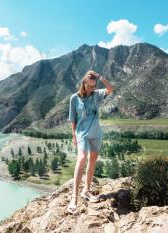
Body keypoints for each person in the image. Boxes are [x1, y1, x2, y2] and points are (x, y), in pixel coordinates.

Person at [67, 70, 114, 214]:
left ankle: (86, 191)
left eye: (94, 86)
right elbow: (72, 119)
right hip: (82, 134)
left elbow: (110, 90)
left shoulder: (96, 94)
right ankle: (74, 197)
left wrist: (100, 77)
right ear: (84, 84)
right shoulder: (74, 98)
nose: (92, 89)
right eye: (89, 86)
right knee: (81, 159)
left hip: (96, 134)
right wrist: (74, 136)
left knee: (92, 160)